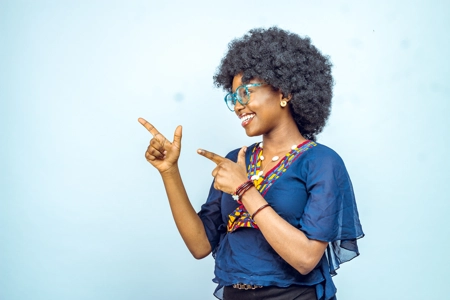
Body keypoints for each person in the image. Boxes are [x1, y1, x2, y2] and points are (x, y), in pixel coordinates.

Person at [138, 27, 364, 300]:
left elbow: (305, 259)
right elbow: (199, 246)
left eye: (245, 92)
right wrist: (169, 172)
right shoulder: (236, 160)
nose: (237, 106)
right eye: (233, 98)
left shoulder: (322, 162)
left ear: (285, 92)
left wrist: (244, 189)